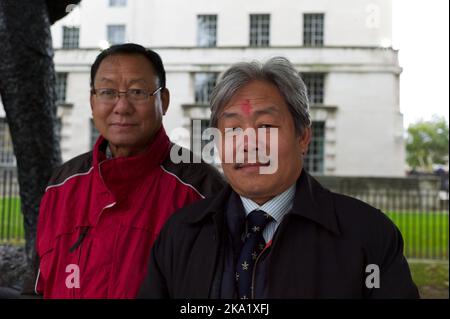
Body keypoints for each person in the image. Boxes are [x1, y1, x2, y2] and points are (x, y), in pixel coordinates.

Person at [138, 57, 419, 299]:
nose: (248, 143)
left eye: (266, 126)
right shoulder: (180, 233)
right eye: (233, 129)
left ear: (303, 137)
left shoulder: (368, 236)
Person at [35, 43, 225, 298]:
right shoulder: (62, 184)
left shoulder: (201, 189)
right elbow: (38, 284)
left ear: (163, 100)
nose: (122, 106)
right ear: (92, 100)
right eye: (108, 92)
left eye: (137, 91)